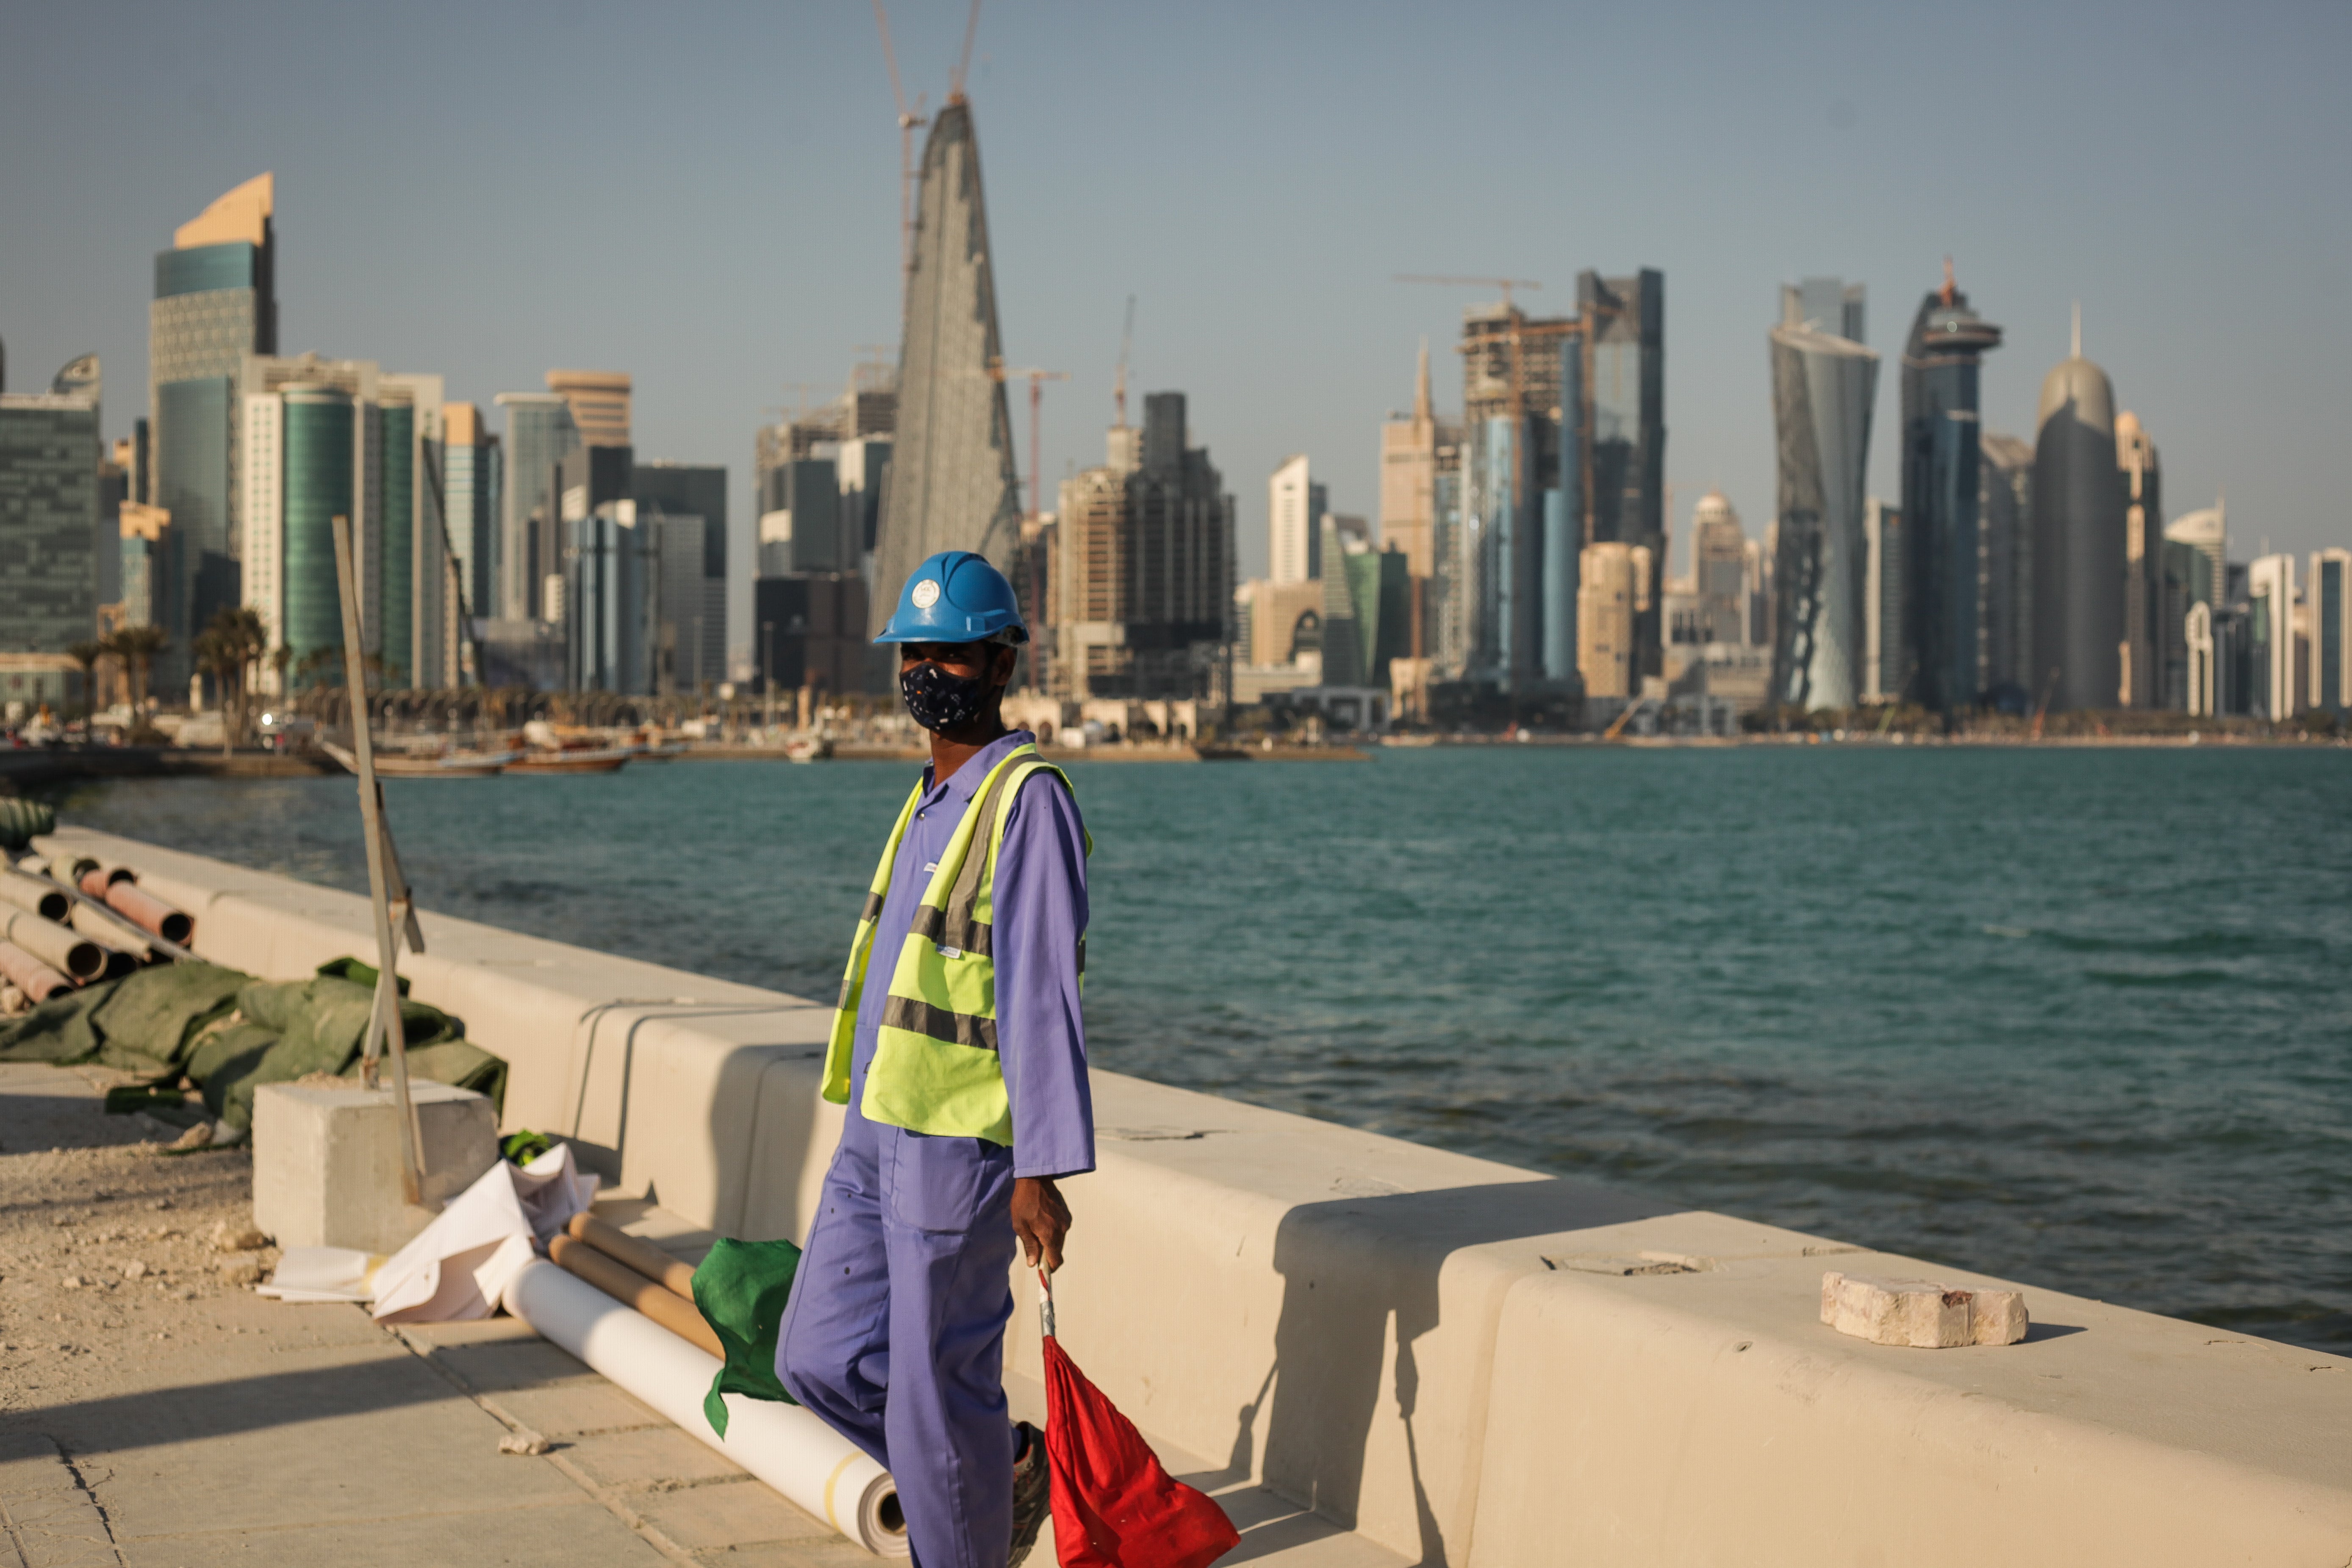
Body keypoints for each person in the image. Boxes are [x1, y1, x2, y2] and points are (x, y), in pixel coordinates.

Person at [778, 550, 1093, 1568]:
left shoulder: (1025, 797)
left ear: (1000, 665)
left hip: (962, 1147)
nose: (928, 672)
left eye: (953, 655)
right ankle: (995, 1466)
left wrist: (1039, 1168)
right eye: (916, 652)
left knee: (930, 1391)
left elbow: (1041, 994)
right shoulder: (927, 797)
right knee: (815, 1359)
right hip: (879, 1128)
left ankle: (961, 1524)